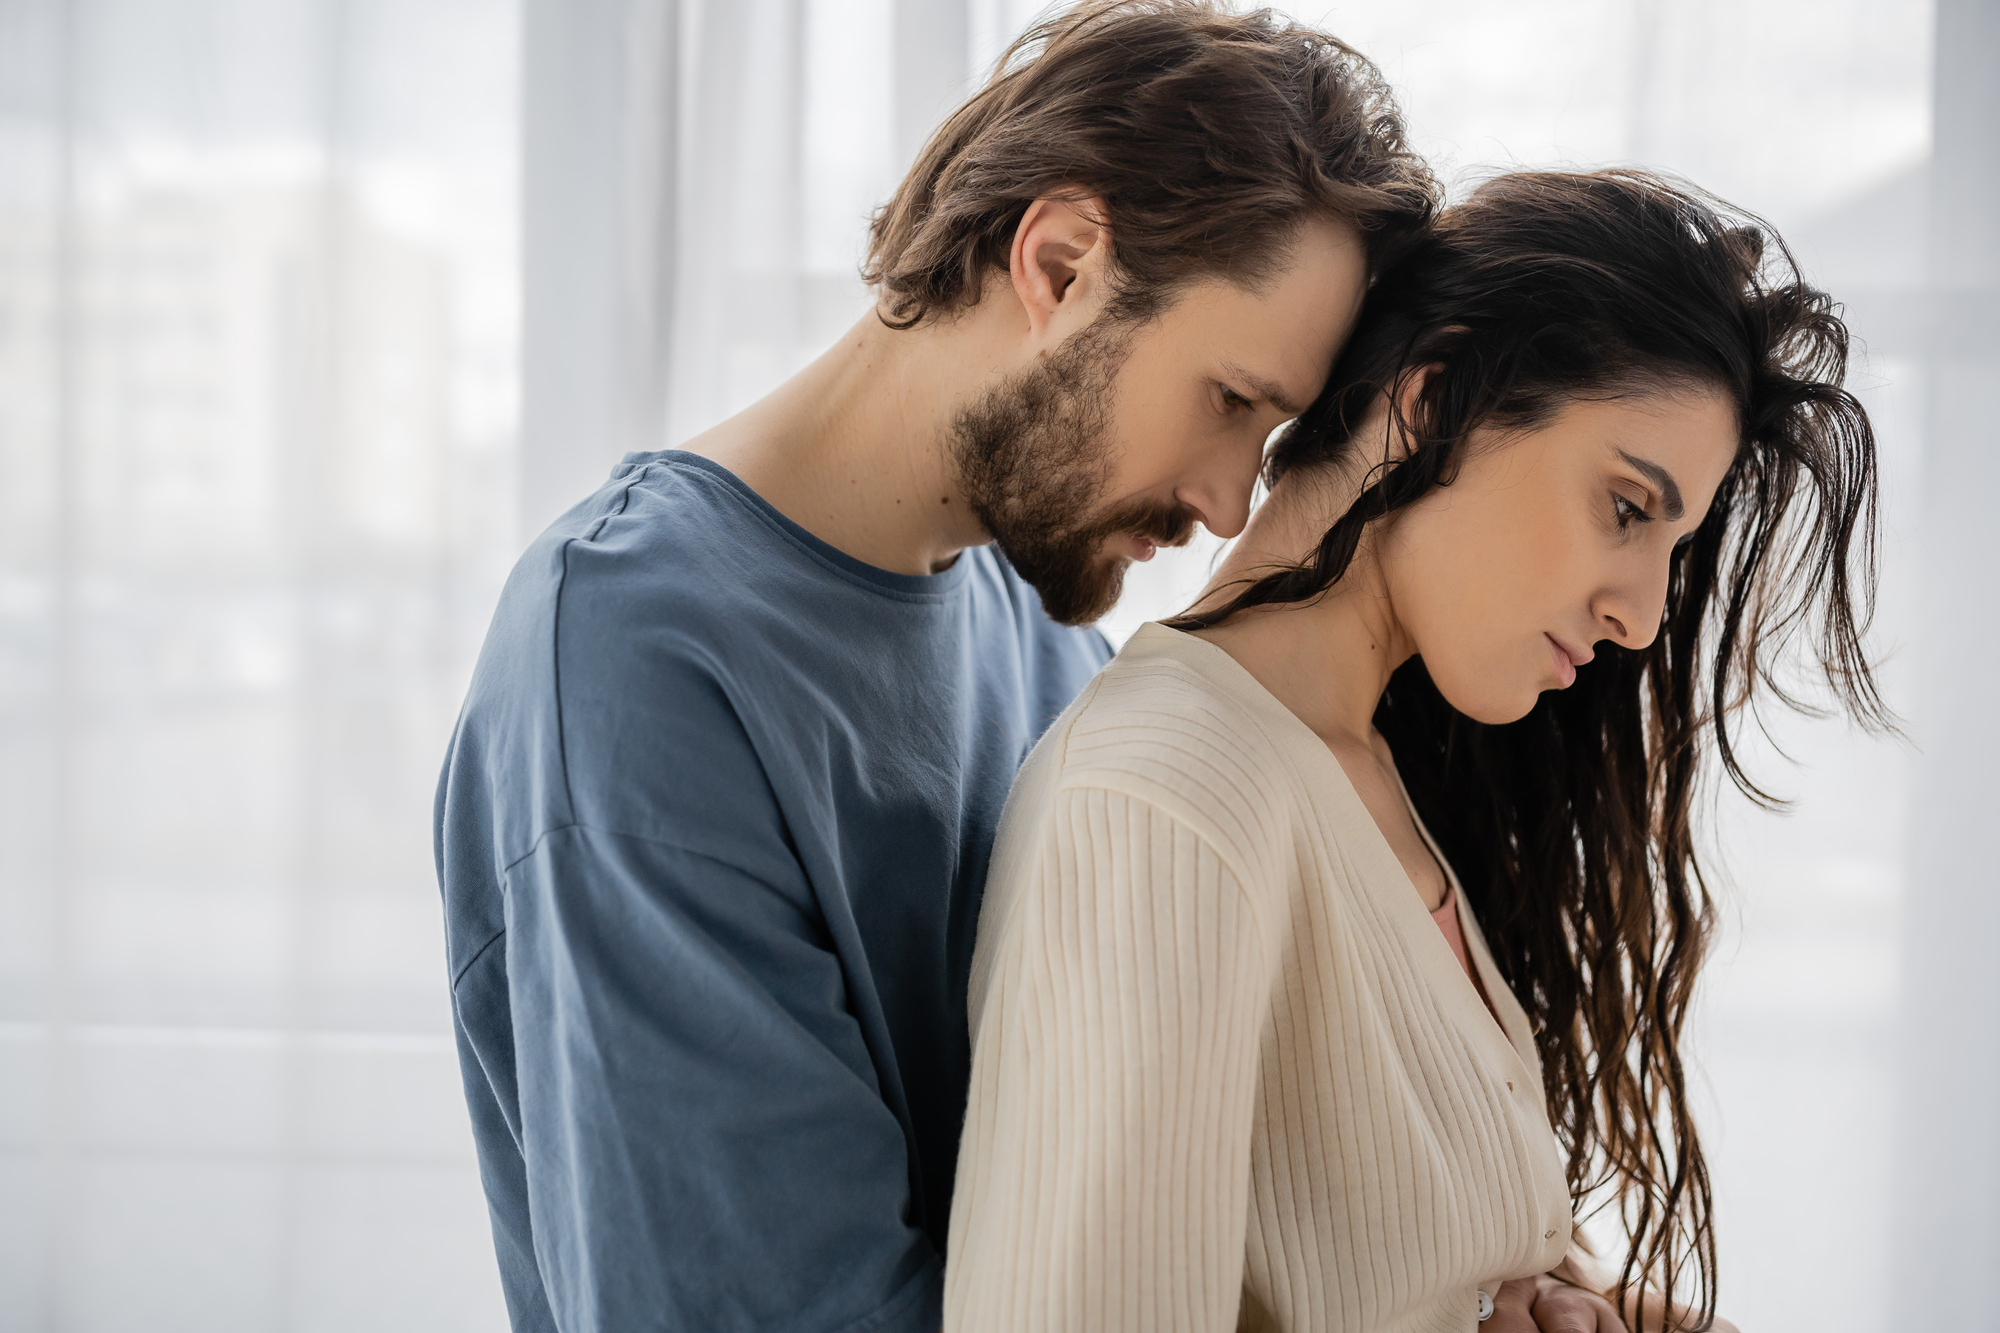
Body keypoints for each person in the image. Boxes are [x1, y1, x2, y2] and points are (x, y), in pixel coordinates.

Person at [434, 3, 1434, 1330]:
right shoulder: (634, 668)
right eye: (1230, 401)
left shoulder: (1041, 630)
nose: (1224, 501)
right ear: (1062, 264)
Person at [946, 169, 1888, 1333]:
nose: (1640, 616)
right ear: (1431, 402)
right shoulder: (1163, 792)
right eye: (1626, 509)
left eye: (1668, 546)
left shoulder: (1371, 775)